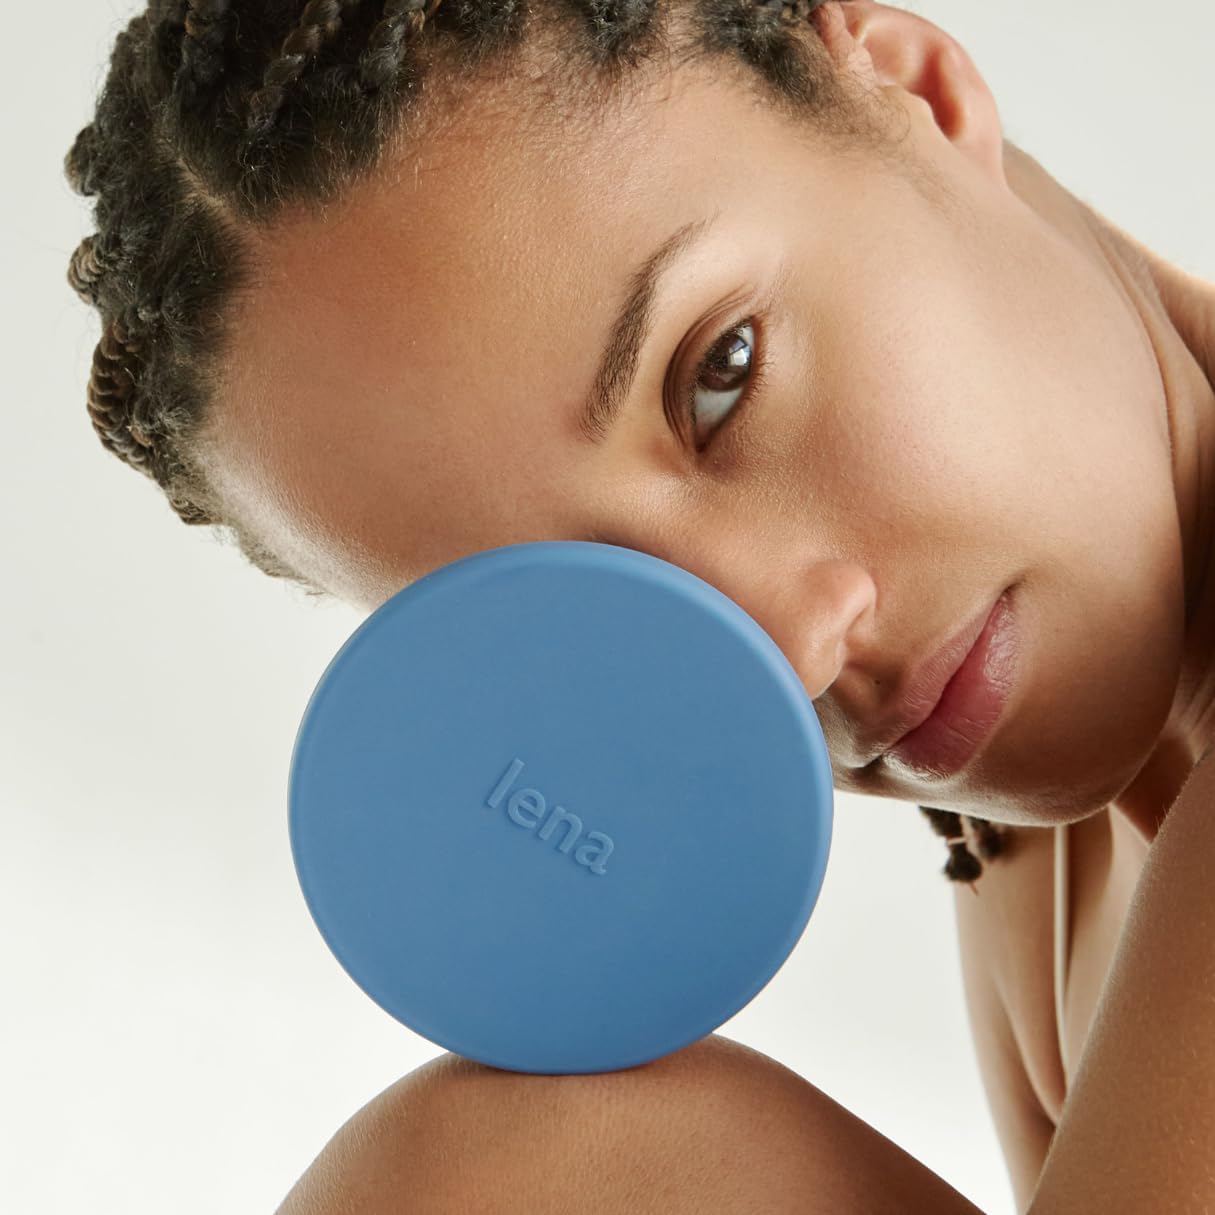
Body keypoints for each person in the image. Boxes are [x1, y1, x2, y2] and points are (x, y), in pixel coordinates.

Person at [62, 0, 1215, 1211]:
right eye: (597, 620)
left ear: (911, 88)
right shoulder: (1042, 873)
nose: (788, 653)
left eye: (722, 373)